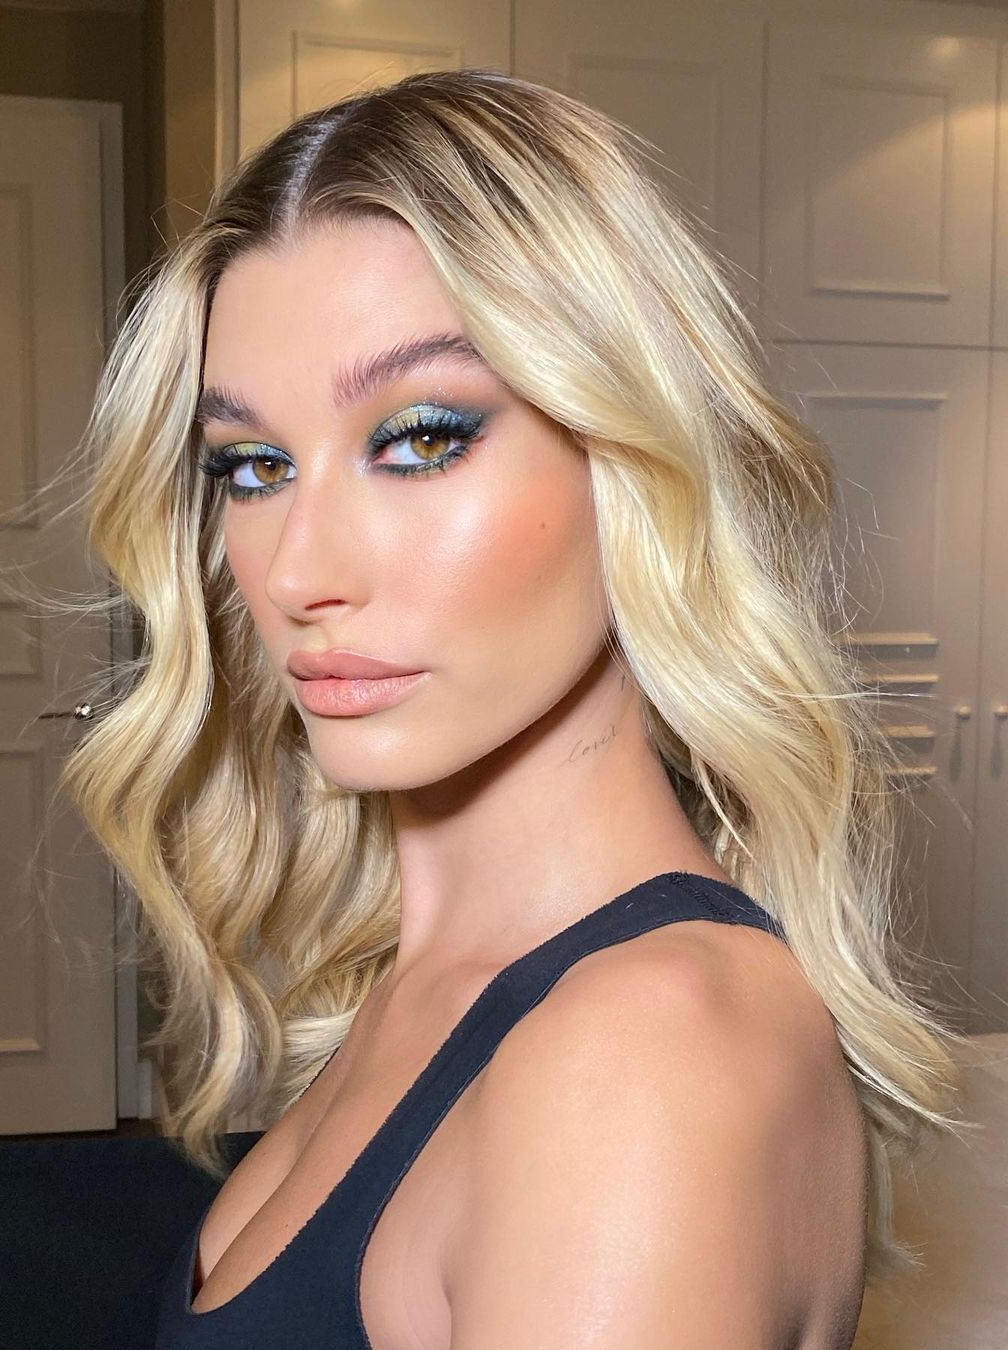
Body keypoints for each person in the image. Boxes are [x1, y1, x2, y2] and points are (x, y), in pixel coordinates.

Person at [62, 68, 970, 1348]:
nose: (299, 571)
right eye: (254, 466)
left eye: (422, 438)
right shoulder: (443, 983)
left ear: (629, 454)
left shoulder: (641, 1055)